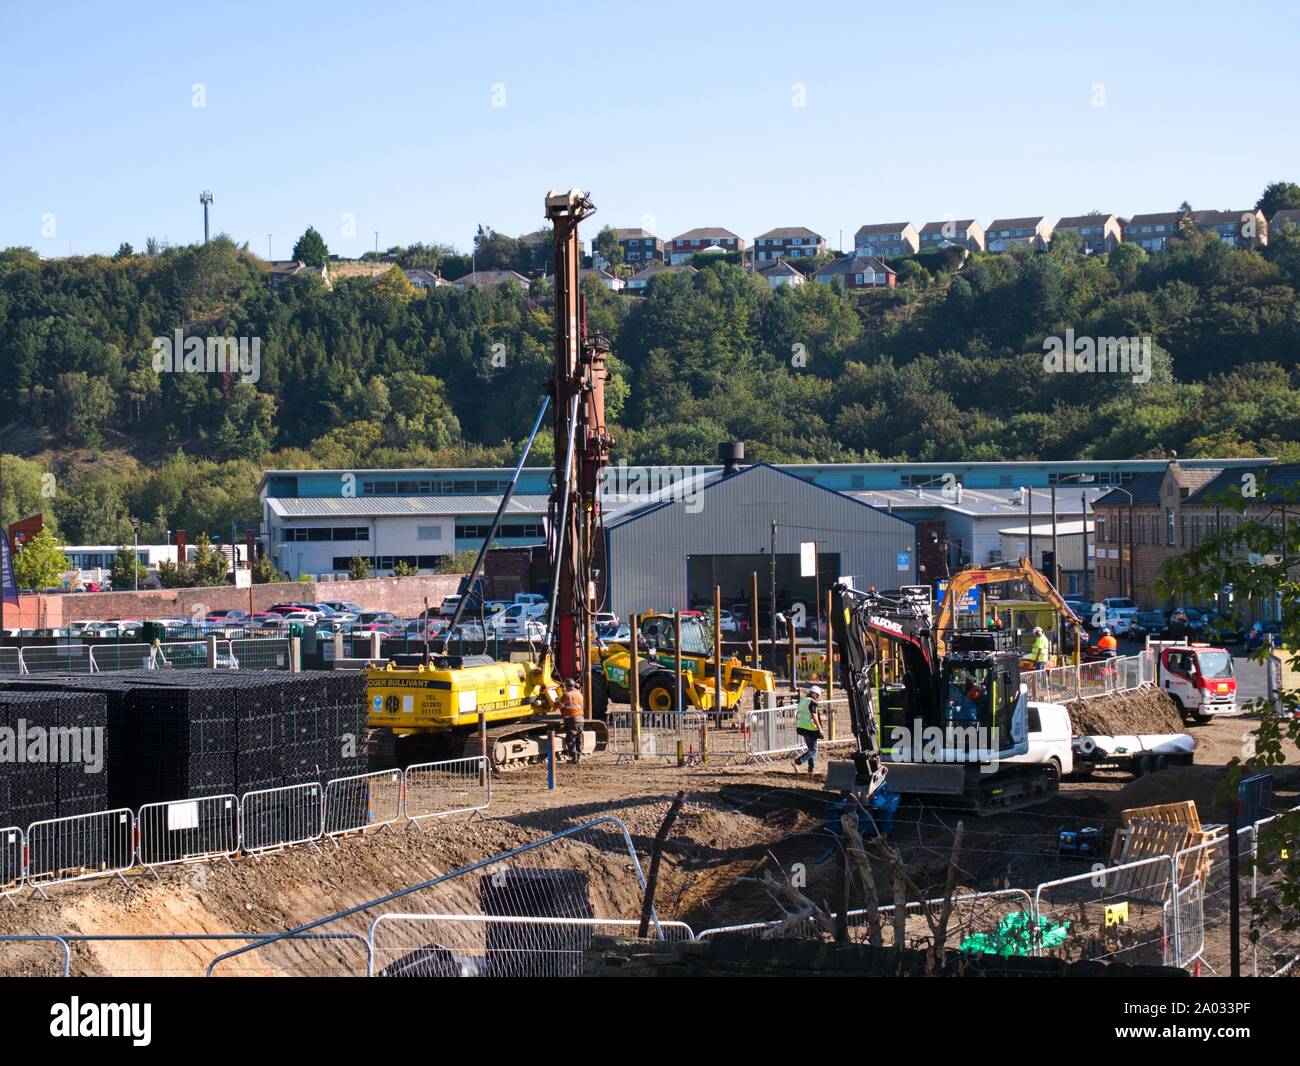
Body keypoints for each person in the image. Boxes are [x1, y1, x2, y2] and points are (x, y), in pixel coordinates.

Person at [792, 684, 824, 774]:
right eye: (817, 695)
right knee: (813, 750)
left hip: (801, 727)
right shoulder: (812, 702)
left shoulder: (802, 701)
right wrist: (820, 729)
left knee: (811, 749)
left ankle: (811, 770)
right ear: (813, 694)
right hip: (810, 728)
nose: (817, 697)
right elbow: (814, 716)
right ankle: (797, 762)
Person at [560, 678, 585, 764]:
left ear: (566, 686)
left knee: (570, 739)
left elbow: (561, 706)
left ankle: (574, 758)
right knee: (578, 738)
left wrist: (556, 700)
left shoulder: (567, 695)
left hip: (572, 719)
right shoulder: (579, 694)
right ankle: (579, 757)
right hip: (580, 719)